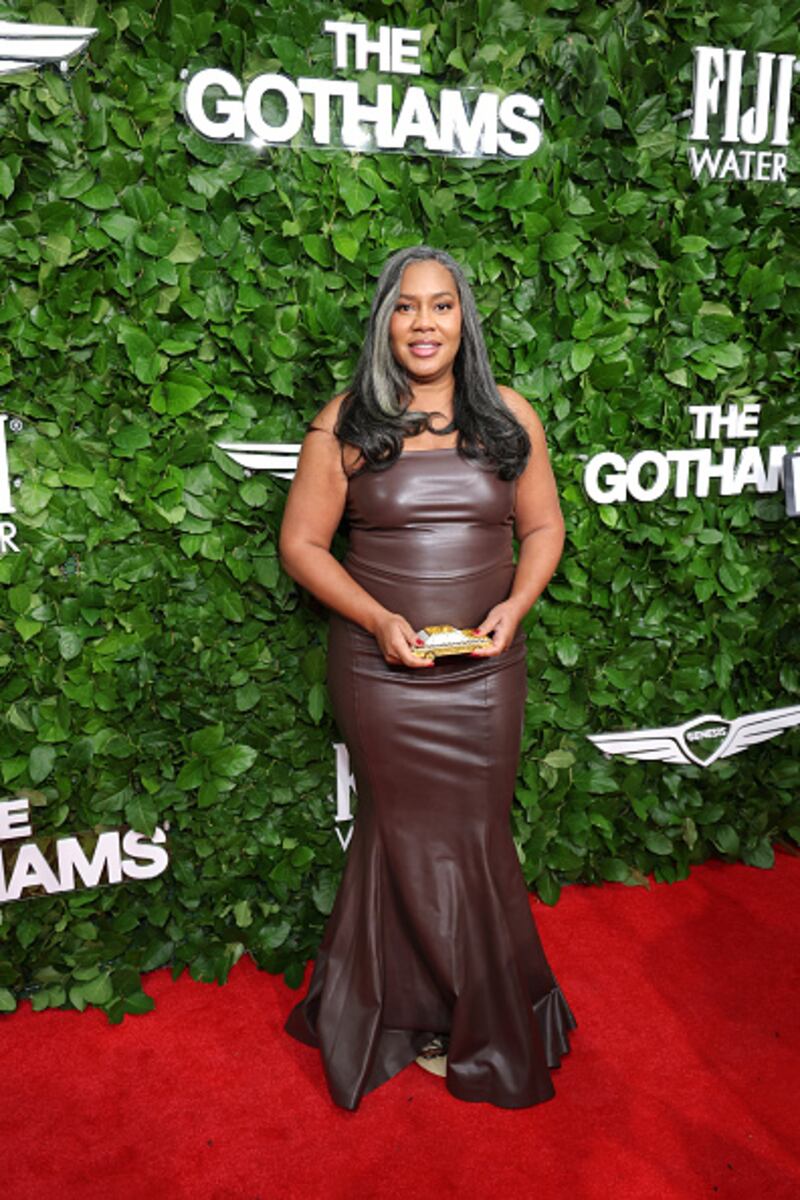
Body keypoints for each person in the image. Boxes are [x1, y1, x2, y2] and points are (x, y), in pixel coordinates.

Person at [279, 245, 577, 1110]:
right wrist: (378, 620)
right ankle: (400, 1014)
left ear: (462, 320)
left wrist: (515, 607)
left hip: (485, 673)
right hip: (381, 676)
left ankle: (469, 1014)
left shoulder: (508, 415)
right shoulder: (347, 422)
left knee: (476, 837)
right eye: (406, 307)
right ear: (385, 321)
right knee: (399, 834)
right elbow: (301, 545)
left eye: (441, 306)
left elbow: (544, 527)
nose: (423, 323)